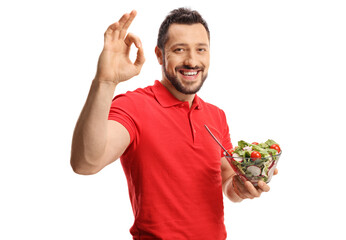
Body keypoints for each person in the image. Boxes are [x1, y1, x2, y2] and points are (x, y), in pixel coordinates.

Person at [70, 8, 277, 239]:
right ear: (160, 55)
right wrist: (105, 81)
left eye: (201, 50)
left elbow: (228, 180)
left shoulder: (216, 116)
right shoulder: (133, 106)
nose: (192, 60)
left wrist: (241, 186)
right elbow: (86, 163)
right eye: (180, 50)